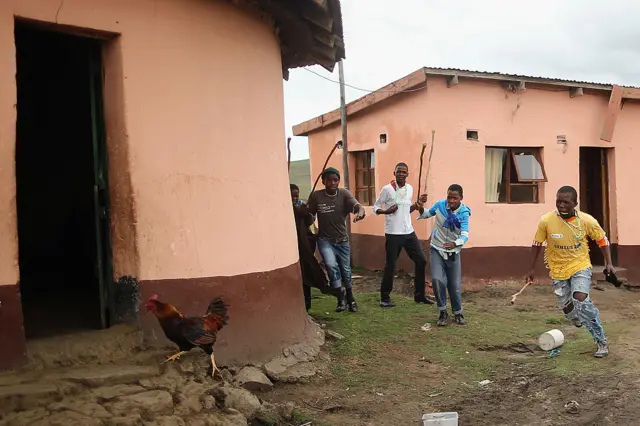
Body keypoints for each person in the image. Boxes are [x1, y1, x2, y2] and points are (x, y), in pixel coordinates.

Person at [527, 186, 612, 358]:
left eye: (566, 202)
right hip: (557, 268)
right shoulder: (546, 221)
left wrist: (609, 263)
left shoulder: (586, 221)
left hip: (580, 265)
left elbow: (602, 240)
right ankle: (575, 316)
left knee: (580, 299)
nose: (561, 205)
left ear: (575, 203)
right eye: (559, 201)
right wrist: (531, 268)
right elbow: (537, 244)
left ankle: (600, 341)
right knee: (568, 309)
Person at [304, 167, 366, 313]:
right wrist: (306, 212)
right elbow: (310, 216)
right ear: (323, 181)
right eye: (329, 180)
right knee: (331, 266)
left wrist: (361, 213)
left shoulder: (343, 194)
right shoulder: (316, 196)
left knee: (345, 270)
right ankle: (340, 298)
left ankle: (350, 298)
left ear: (338, 181)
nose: (332, 182)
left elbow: (357, 206)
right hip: (325, 240)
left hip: (342, 241)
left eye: (335, 180)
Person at [373, 162, 434, 308]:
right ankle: (385, 298)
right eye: (398, 171)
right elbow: (375, 207)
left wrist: (418, 204)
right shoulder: (387, 189)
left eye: (404, 172)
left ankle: (420, 296)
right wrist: (386, 212)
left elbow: (406, 210)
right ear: (394, 173)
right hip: (393, 233)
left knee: (421, 261)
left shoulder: (410, 189)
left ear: (407, 174)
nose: (401, 174)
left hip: (408, 232)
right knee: (391, 265)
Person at [415, 184, 471, 326]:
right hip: (437, 249)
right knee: (437, 280)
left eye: (455, 198)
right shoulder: (440, 205)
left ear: (461, 198)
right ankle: (442, 312)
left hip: (453, 252)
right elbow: (427, 214)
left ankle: (457, 312)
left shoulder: (464, 213)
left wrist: (456, 243)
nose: (451, 201)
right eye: (449, 197)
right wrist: (420, 206)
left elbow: (465, 234)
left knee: (454, 285)